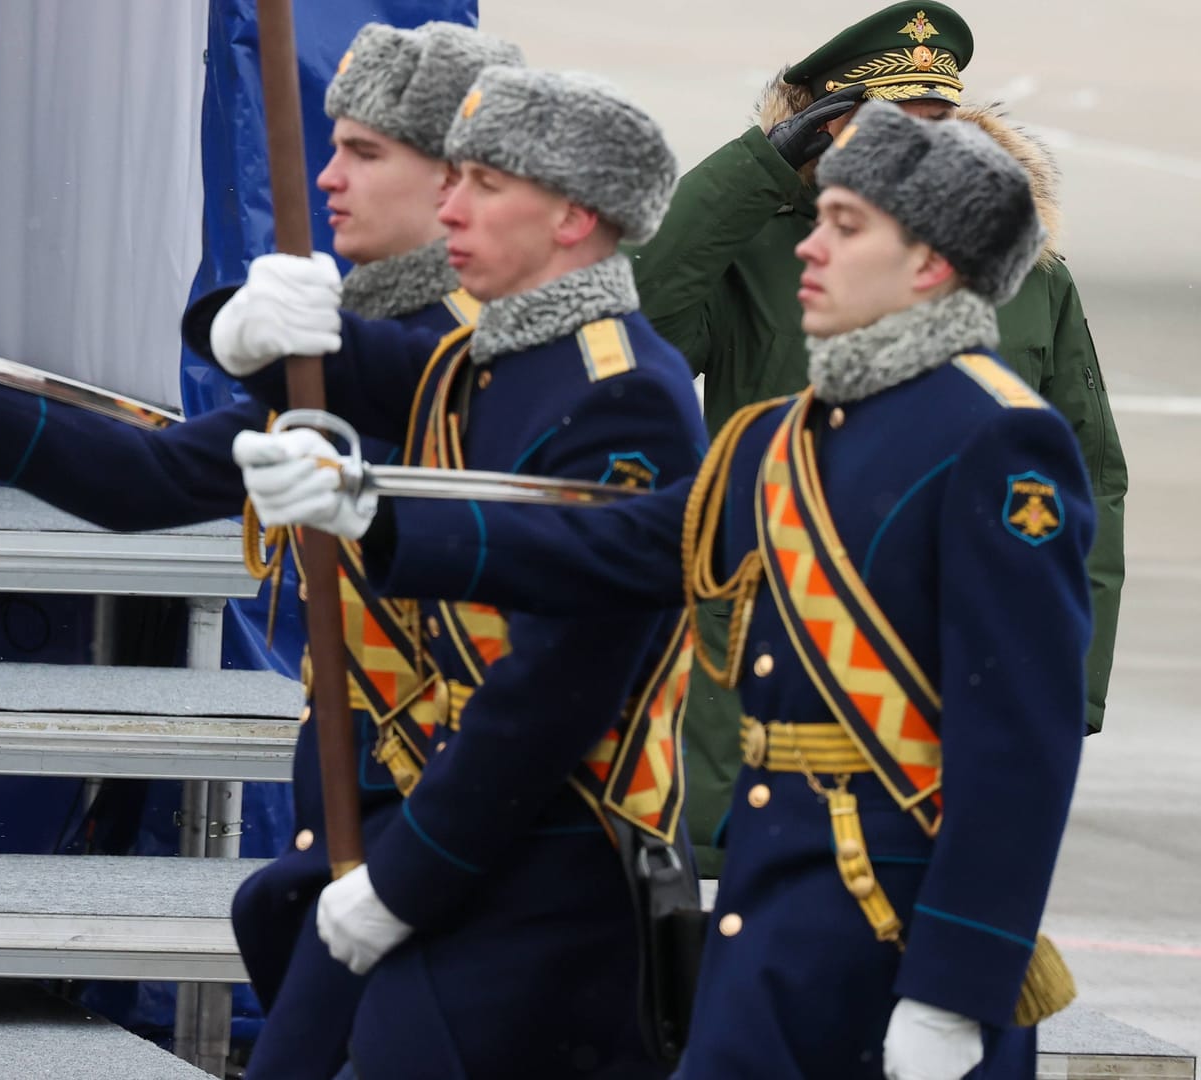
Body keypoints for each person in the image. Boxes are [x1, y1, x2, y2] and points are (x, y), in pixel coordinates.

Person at [269, 101, 1089, 1079]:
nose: (809, 251)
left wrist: (958, 983)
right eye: (819, 216)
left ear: (933, 266)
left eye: (846, 225)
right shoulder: (776, 437)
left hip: (896, 932)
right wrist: (377, 512)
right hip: (774, 916)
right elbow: (621, 545)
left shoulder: (998, 441)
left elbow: (1017, 744)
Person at [0, 22, 520, 1079]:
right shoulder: (353, 349)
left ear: (462, 177)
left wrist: (251, 339)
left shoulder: (514, 354)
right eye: (329, 147)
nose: (330, 178)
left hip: (478, 825)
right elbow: (146, 480)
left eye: (369, 153)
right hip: (355, 804)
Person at [211, 65, 706, 1075]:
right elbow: (338, 369)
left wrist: (405, 881)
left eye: (484, 182)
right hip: (460, 844)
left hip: (544, 870)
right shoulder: (483, 362)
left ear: (572, 217)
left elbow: (554, 689)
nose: (450, 202)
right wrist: (247, 328)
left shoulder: (622, 393)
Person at [630, 0, 1126, 874]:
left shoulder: (1028, 270)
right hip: (764, 659)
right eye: (889, 122)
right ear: (820, 127)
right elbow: (642, 334)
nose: (918, 145)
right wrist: (755, 174)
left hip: (943, 661)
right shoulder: (756, 248)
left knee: (940, 899)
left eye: (939, 121)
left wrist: (1068, 677)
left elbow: (1088, 474)